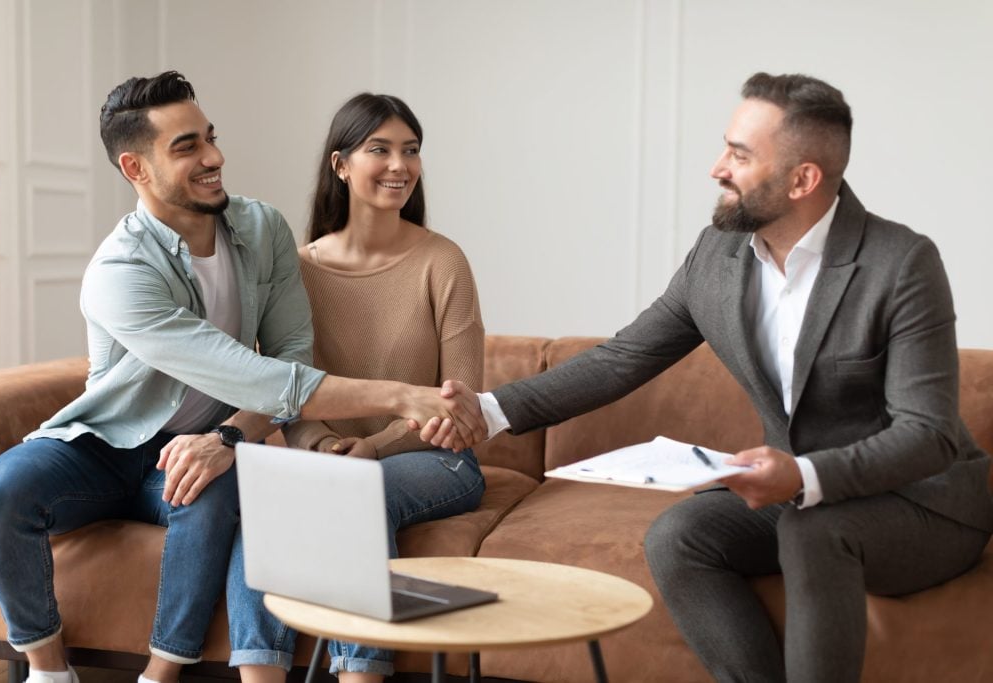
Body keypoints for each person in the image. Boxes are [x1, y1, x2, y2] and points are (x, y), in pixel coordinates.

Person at [424, 72, 993, 682]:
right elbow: (624, 357)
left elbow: (927, 433)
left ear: (803, 179)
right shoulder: (717, 258)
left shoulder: (900, 263)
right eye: (726, 146)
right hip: (797, 495)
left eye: (740, 155)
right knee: (680, 536)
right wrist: (486, 412)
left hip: (920, 504)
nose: (717, 168)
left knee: (812, 529)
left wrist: (800, 473)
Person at [0, 71, 481, 683]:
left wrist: (242, 438)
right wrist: (374, 413)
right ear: (136, 168)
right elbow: (260, 376)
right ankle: (50, 671)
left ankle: (166, 672)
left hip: (281, 446)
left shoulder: (266, 230)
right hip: (110, 443)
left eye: (209, 137)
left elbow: (292, 358)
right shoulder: (121, 270)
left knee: (264, 500)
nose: (214, 157)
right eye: (186, 146)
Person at [225, 93, 486, 683]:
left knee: (356, 497)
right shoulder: (299, 269)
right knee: (267, 515)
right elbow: (287, 387)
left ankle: (361, 675)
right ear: (341, 164)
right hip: (328, 463)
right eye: (381, 149)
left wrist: (376, 447)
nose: (400, 165)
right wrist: (321, 447)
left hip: (436, 458)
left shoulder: (442, 261)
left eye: (411, 151)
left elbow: (461, 395)